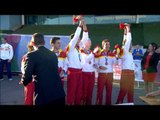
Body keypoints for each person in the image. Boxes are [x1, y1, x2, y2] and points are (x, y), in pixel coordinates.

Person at [21, 33, 65, 105]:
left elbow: (27, 76)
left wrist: (24, 81)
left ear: (32, 43)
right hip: (59, 93)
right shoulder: (52, 54)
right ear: (44, 42)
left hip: (44, 95)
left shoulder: (31, 55)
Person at [65, 16, 88, 105]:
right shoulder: (70, 48)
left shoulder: (79, 48)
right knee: (72, 92)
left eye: (79, 39)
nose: (79, 40)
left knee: (79, 92)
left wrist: (84, 24)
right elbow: (75, 37)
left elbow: (85, 38)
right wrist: (79, 25)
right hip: (73, 72)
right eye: (78, 39)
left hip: (80, 72)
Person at [94, 39, 119, 105]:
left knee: (109, 92)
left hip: (110, 75)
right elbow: (95, 63)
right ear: (103, 45)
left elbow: (116, 63)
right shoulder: (99, 53)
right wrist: (99, 67)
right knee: (100, 92)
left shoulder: (112, 54)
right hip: (102, 74)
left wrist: (117, 58)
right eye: (106, 44)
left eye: (109, 44)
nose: (108, 46)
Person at [116, 23, 135, 104]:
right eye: (130, 44)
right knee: (123, 91)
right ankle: (119, 103)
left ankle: (130, 103)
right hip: (126, 74)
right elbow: (127, 40)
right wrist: (128, 28)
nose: (131, 45)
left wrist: (125, 31)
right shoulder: (125, 50)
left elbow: (125, 40)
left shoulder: (129, 52)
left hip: (131, 73)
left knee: (131, 91)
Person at [81, 37, 96, 105]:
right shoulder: (81, 51)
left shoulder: (91, 52)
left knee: (90, 92)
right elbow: (86, 60)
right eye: (88, 42)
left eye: (90, 42)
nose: (90, 44)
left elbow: (93, 63)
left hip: (92, 73)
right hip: (84, 73)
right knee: (84, 92)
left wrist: (97, 66)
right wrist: (93, 53)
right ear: (84, 43)